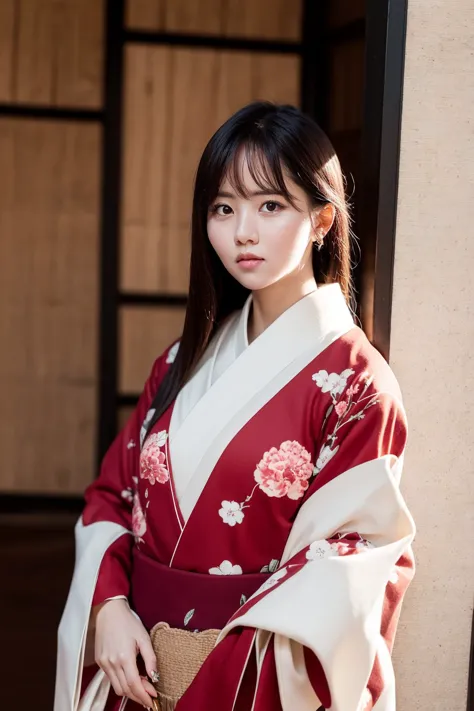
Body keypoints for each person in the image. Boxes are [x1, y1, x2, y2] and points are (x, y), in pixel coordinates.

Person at [55, 101, 415, 711]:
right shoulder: (181, 361)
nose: (242, 231)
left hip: (247, 681)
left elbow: (348, 566)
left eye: (270, 205)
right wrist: (111, 608)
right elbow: (111, 497)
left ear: (323, 219)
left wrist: (212, 668)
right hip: (132, 669)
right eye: (224, 208)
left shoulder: (356, 385)